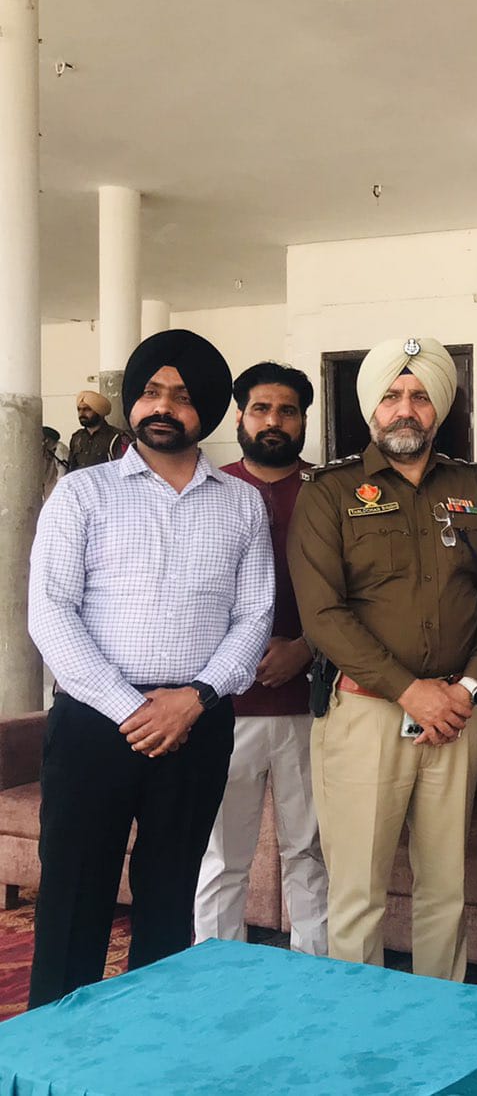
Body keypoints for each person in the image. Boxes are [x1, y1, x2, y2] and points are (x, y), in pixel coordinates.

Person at [27, 330, 272, 1006]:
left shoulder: (240, 502)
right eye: (151, 392)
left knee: (170, 900)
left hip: (197, 724)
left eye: (183, 396)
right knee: (73, 898)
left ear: (208, 411)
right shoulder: (81, 494)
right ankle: (58, 1048)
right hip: (94, 723)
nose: (163, 407)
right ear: (133, 400)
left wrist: (193, 699)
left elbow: (254, 616)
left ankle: (152, 1041)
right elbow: (50, 612)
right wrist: (132, 709)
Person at [289, 335, 477, 982]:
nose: (406, 410)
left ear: (438, 409)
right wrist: (409, 690)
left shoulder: (475, 486)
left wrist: (469, 687)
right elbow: (323, 614)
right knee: (358, 894)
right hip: (365, 714)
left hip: (456, 715)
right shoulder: (330, 492)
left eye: (420, 396)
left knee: (445, 891)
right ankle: (358, 1030)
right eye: (392, 396)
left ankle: (438, 1023)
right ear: (372, 408)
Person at [194, 362, 328, 955]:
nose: (274, 421)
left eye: (287, 410)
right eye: (261, 409)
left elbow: (360, 592)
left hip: (311, 705)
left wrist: (305, 648)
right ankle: (215, 973)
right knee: (222, 856)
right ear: (240, 417)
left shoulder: (330, 492)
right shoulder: (208, 491)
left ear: (304, 420)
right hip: (224, 706)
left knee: (310, 851)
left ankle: (315, 972)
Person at [66, 389, 125, 471]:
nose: (81, 413)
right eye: (79, 409)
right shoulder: (77, 438)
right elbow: (71, 469)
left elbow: (123, 468)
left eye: (87, 409)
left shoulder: (116, 437)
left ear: (99, 412)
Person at [40, 426, 64, 501]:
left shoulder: (60, 449)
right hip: (45, 486)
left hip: (56, 487)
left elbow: (62, 471)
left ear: (47, 439)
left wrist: (59, 488)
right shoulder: (43, 449)